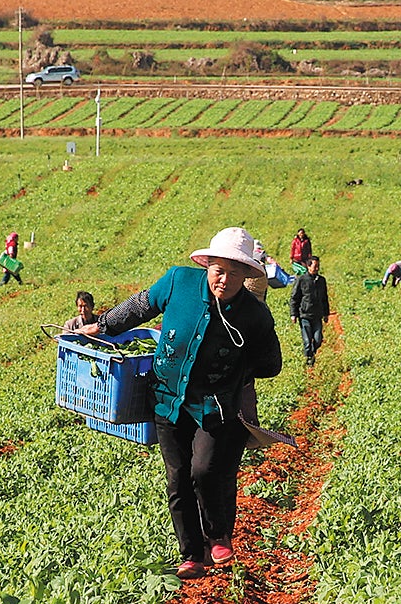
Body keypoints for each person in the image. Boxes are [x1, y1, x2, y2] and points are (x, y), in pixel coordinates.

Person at [91, 228, 284, 579]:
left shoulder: (254, 315)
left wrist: (238, 369)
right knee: (178, 478)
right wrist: (103, 325)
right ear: (207, 265)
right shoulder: (179, 281)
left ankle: (218, 535)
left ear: (246, 275)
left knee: (205, 470)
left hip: (216, 407)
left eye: (235, 273)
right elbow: (141, 305)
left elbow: (272, 364)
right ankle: (192, 554)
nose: (224, 279)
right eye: (219, 270)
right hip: (167, 400)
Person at [290, 254, 331, 365]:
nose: (317, 268)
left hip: (317, 315)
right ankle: (309, 358)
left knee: (318, 340)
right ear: (308, 266)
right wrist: (293, 314)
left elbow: (324, 298)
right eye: (315, 266)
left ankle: (312, 353)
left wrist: (326, 314)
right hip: (304, 316)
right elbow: (294, 297)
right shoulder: (302, 280)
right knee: (307, 341)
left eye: (318, 266)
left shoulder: (321, 280)